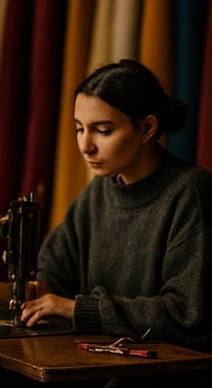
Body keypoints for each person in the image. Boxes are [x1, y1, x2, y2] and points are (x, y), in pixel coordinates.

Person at [20, 59, 212, 353]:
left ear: (147, 128)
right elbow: (54, 269)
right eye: (79, 129)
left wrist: (78, 309)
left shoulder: (191, 193)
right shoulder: (97, 194)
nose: (85, 145)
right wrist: (37, 288)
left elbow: (186, 313)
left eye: (103, 130)